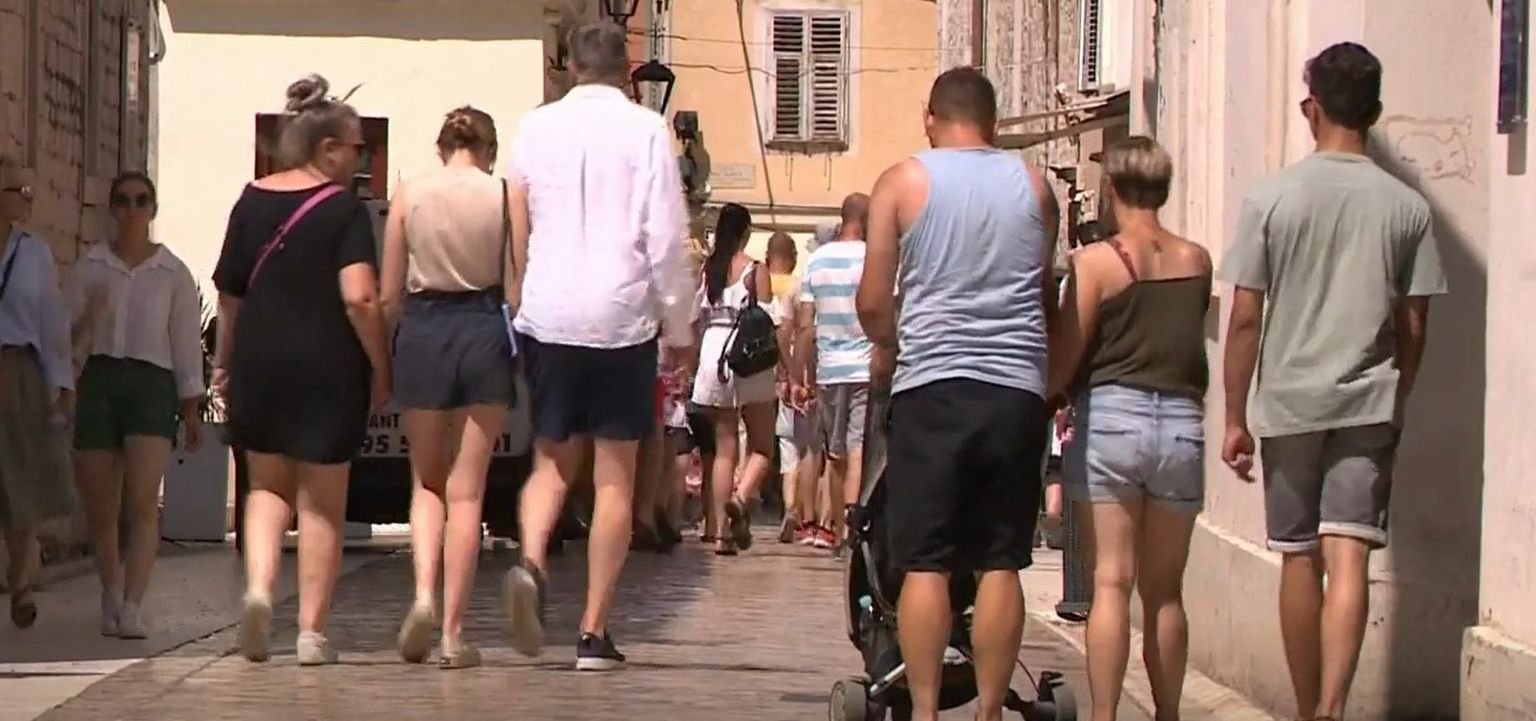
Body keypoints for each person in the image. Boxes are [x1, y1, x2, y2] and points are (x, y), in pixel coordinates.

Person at [1219, 42, 1444, 721]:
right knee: (1350, 556)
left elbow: (1246, 318)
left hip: (1290, 403)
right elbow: (1414, 322)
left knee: (1297, 556)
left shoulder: (1270, 199)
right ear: (1374, 112)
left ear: (1310, 108)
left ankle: (1304, 706)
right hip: (1367, 402)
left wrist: (1235, 416)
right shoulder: (1408, 208)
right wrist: (1397, 395)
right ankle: (1333, 708)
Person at [856, 67, 1057, 721]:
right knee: (1001, 560)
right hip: (1014, 391)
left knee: (926, 560)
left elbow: (872, 302)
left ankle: (923, 709)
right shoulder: (1034, 187)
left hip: (932, 389)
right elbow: (1043, 296)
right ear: (993, 123)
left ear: (930, 117)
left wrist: (894, 341)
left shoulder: (902, 183)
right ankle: (990, 709)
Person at [500, 20, 692, 672]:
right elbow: (664, 235)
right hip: (620, 316)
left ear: (571, 65)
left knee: (551, 461)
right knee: (615, 477)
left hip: (549, 311)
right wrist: (679, 324)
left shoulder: (534, 128)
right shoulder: (646, 130)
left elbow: (517, 220)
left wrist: (519, 294)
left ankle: (531, 558)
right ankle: (592, 631)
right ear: (627, 69)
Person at [213, 74, 390, 666]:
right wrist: (381, 365)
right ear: (327, 148)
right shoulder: (344, 210)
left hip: (260, 362)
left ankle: (260, 592)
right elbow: (359, 297)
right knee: (320, 503)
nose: (361, 157)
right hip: (327, 367)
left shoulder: (251, 199)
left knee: (265, 487)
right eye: (358, 146)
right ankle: (312, 633)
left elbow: (230, 294)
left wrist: (224, 361)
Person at [1046, 136, 1210, 721]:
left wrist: (1051, 394)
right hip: (1182, 425)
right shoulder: (1196, 260)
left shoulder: (1095, 264)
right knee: (1165, 591)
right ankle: (1168, 713)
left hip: (1113, 420)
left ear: (1111, 189)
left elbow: (1066, 357)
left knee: (1111, 582)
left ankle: (1106, 714)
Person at [378, 106, 514, 668]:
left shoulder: (409, 193)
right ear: (489, 149)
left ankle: (423, 597)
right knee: (468, 491)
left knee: (427, 481)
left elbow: (389, 294)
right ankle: (455, 634)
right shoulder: (503, 194)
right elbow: (516, 286)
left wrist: (382, 363)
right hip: (482, 326)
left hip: (424, 330)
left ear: (441, 148)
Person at [70, 171, 206, 639]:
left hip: (152, 383)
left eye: (141, 201)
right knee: (101, 503)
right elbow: (66, 333)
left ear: (153, 209)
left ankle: (133, 604)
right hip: (100, 378)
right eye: (124, 201)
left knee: (143, 499)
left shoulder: (172, 273)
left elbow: (186, 344)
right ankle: (110, 589)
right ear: (112, 208)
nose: (132, 210)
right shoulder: (90, 266)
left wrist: (191, 407)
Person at [0, 157, 75, 630]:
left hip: (19, 370)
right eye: (17, 191)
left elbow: (51, 322)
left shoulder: (35, 254)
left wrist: (61, 383)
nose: (26, 200)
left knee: (21, 476)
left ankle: (21, 580)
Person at [689, 203, 778, 556]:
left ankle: (721, 534)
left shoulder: (709, 270)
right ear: (746, 232)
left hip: (714, 353)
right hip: (748, 356)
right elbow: (772, 321)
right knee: (762, 446)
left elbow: (695, 319)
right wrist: (787, 366)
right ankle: (740, 499)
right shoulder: (756, 270)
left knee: (724, 450)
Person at [794, 193, 873, 557]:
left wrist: (802, 377)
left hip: (829, 369)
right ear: (866, 220)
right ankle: (852, 531)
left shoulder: (817, 260)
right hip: (866, 367)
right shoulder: (873, 258)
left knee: (835, 454)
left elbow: (805, 326)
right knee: (859, 450)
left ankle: (838, 530)